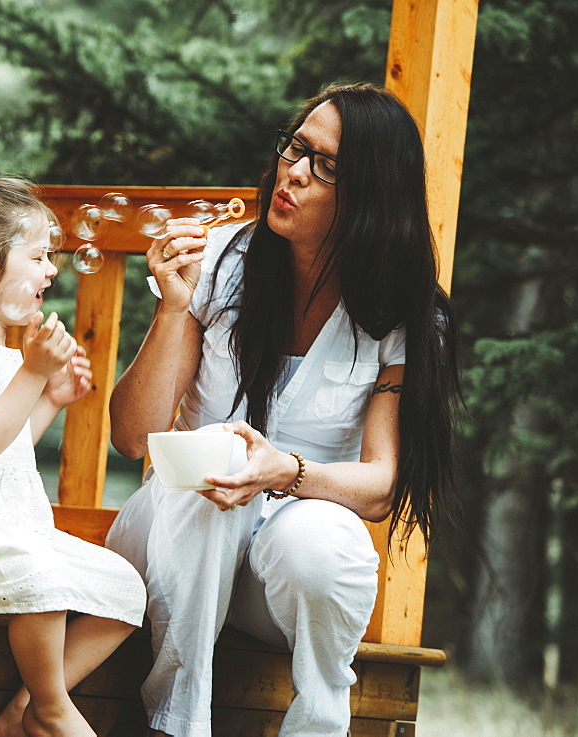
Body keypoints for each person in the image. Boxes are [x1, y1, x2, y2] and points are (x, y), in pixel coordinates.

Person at [105, 82, 460, 737]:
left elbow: (382, 486)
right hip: (167, 546)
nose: (292, 173)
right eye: (296, 147)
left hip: (267, 580)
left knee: (329, 545)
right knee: (216, 465)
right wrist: (174, 306)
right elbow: (131, 436)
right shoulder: (221, 262)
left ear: (371, 196)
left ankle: (319, 718)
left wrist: (281, 471)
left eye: (324, 166)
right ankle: (175, 722)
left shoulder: (402, 315)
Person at [0, 176, 146, 737]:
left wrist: (50, 398)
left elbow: (6, 441)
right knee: (43, 578)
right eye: (39, 256)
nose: (52, 271)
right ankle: (53, 708)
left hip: (14, 523)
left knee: (126, 589)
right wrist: (35, 373)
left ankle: (26, 706)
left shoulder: (2, 348)